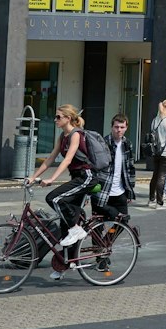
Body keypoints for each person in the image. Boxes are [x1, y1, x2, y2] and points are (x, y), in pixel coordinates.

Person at [26, 104, 94, 274]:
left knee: (54, 198)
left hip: (87, 177)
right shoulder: (62, 137)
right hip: (76, 178)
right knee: (65, 222)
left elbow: (67, 160)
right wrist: (33, 177)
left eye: (58, 117)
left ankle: (76, 229)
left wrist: (51, 179)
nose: (55, 120)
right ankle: (65, 264)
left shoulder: (76, 134)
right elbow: (50, 158)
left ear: (68, 119)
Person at [103, 114, 136, 220]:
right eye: (116, 127)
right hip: (104, 192)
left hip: (120, 192)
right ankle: (101, 237)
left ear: (126, 128)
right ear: (112, 127)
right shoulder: (104, 143)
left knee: (123, 222)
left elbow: (130, 168)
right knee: (98, 225)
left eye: (122, 127)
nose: (119, 130)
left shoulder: (127, 144)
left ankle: (109, 237)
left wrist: (129, 191)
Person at [147, 99, 166, 209]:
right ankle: (159, 202)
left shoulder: (155, 120)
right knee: (162, 177)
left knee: (155, 175)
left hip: (156, 152)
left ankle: (151, 199)